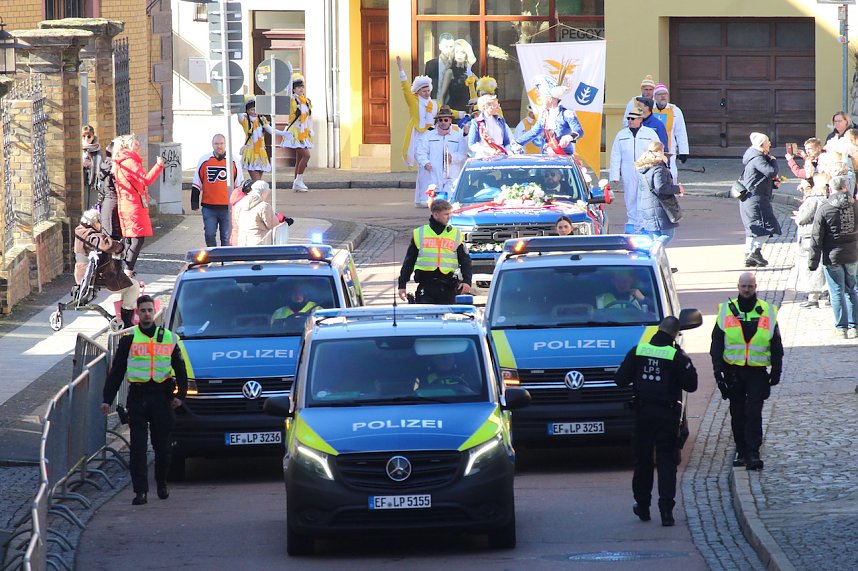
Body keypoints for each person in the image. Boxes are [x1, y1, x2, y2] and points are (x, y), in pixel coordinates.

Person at [101, 294, 188, 505]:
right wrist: (107, 399)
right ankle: (140, 491)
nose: (147, 314)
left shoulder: (169, 338)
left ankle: (161, 483)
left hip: (161, 396)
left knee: (162, 446)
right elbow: (118, 371)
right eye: (143, 310)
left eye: (150, 310)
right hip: (138, 397)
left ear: (154, 312)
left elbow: (180, 368)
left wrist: (181, 395)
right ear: (137, 313)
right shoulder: (129, 340)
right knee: (138, 448)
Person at [616, 316, 698, 526]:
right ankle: (666, 512)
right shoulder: (676, 356)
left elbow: (620, 379)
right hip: (667, 416)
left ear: (658, 329)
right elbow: (692, 385)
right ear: (675, 333)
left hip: (642, 414)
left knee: (642, 461)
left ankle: (642, 506)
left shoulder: (638, 350)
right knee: (666, 462)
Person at [710, 272, 783, 470]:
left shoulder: (767, 311)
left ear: (755, 286)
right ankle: (742, 451)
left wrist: (777, 370)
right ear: (738, 286)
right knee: (737, 412)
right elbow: (716, 343)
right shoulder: (726, 310)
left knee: (754, 412)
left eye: (750, 286)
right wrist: (718, 373)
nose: (747, 290)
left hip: (757, 371)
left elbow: (776, 343)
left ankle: (752, 453)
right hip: (733, 371)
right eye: (744, 286)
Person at [808, 175, 858, 338]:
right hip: (852, 254)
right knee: (852, 290)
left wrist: (813, 262)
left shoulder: (825, 208)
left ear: (831, 189)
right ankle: (854, 326)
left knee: (837, 291)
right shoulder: (855, 206)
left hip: (833, 255)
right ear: (845, 188)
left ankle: (841, 328)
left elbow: (816, 237)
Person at [74, 209, 140, 328]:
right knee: (133, 286)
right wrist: (120, 247)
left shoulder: (79, 232)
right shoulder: (93, 236)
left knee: (127, 286)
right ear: (95, 223)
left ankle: (124, 314)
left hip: (82, 275)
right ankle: (126, 318)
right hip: (101, 277)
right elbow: (106, 244)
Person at [398, 199, 473, 304]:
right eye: (446, 214)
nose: (449, 217)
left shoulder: (456, 234)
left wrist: (467, 281)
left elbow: (465, 261)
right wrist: (402, 285)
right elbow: (409, 261)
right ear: (436, 215)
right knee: (427, 318)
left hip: (448, 286)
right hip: (426, 285)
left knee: (447, 318)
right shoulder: (420, 233)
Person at [112, 133, 164, 277]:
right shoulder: (130, 162)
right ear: (128, 146)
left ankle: (124, 269)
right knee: (137, 239)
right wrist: (159, 166)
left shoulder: (120, 161)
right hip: (133, 205)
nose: (138, 145)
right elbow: (146, 180)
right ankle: (127, 270)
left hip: (126, 204)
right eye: (135, 143)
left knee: (130, 238)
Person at [609, 107, 660, 233]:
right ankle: (632, 221)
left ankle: (642, 222)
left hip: (645, 168)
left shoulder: (650, 133)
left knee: (643, 196)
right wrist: (614, 175)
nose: (630, 121)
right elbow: (615, 155)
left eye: (633, 118)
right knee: (630, 195)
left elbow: (657, 150)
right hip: (628, 169)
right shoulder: (621, 135)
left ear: (640, 119)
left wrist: (656, 169)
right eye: (628, 118)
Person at [191, 134, 244, 247]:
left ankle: (225, 261)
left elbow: (239, 184)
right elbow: (197, 182)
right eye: (216, 144)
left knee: (226, 237)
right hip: (209, 207)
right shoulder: (204, 160)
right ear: (212, 144)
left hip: (228, 208)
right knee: (209, 234)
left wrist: (240, 205)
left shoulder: (233, 160)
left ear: (225, 144)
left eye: (221, 143)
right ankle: (213, 257)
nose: (219, 146)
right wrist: (194, 202)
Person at [740, 132, 782, 268]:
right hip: (756, 199)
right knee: (767, 225)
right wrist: (774, 160)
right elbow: (770, 172)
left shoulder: (753, 157)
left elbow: (758, 178)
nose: (770, 143)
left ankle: (749, 255)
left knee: (753, 227)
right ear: (761, 144)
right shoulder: (758, 158)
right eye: (767, 141)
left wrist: (772, 185)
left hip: (751, 198)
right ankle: (755, 252)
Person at [516, 74, 584, 156]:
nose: (540, 101)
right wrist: (517, 143)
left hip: (563, 156)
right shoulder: (544, 115)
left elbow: (578, 131)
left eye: (542, 97)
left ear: (550, 99)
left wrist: (568, 137)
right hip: (546, 156)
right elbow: (534, 132)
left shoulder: (566, 114)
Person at [414, 105, 468, 207]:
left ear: (450, 121)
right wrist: (425, 163)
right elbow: (420, 151)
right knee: (435, 203)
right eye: (440, 120)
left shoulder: (458, 135)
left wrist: (453, 158)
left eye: (446, 120)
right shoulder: (429, 135)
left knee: (449, 201)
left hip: (452, 172)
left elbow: (463, 153)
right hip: (434, 172)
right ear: (437, 121)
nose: (443, 122)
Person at [396, 55, 443, 167]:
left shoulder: (436, 104)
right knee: (421, 159)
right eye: (424, 91)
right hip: (418, 133)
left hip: (432, 133)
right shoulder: (414, 102)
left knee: (431, 158)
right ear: (418, 91)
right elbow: (406, 89)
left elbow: (447, 111)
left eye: (428, 90)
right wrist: (400, 69)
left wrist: (462, 113)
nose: (427, 93)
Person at [636, 141, 683, 245]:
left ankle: (657, 259)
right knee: (667, 235)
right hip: (660, 207)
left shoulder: (645, 168)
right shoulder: (659, 168)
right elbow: (661, 188)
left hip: (648, 206)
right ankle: (653, 253)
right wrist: (677, 189)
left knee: (656, 237)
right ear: (661, 151)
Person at [794, 176, 829, 308]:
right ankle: (825, 293)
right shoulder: (826, 199)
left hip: (809, 236)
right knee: (820, 264)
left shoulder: (813, 200)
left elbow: (802, 218)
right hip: (822, 235)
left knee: (811, 265)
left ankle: (813, 296)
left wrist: (797, 215)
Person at [280, 73, 313, 192]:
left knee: (300, 158)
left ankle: (296, 183)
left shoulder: (306, 101)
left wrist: (310, 130)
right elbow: (287, 96)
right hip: (294, 132)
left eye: (302, 86)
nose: (301, 88)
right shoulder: (292, 100)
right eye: (298, 86)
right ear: (293, 89)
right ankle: (298, 181)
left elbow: (309, 118)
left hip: (303, 131)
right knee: (306, 155)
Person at [651, 85, 689, 182]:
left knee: (672, 174)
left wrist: (683, 151)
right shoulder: (649, 109)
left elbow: (680, 132)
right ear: (654, 97)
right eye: (660, 94)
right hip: (651, 150)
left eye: (665, 94)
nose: (663, 96)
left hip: (669, 150)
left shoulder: (675, 110)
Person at [237, 98, 276, 181]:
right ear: (247, 111)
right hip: (250, 152)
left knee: (257, 183)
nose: (255, 111)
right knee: (257, 182)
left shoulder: (261, 120)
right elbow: (239, 113)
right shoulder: (245, 120)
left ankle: (254, 193)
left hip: (261, 153)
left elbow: (271, 130)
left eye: (256, 109)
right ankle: (255, 193)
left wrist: (284, 133)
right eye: (252, 109)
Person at [237, 180, 280, 246]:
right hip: (259, 243)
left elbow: (237, 220)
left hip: (243, 242)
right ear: (263, 193)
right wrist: (278, 218)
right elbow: (273, 224)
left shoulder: (241, 203)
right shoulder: (264, 206)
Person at [439, 39, 476, 111]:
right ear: (454, 54)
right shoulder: (450, 72)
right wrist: (442, 111)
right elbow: (443, 95)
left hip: (468, 110)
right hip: (454, 110)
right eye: (457, 52)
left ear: (466, 54)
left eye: (462, 52)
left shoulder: (470, 73)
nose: (459, 55)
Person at [96, 142, 120, 239]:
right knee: (113, 237)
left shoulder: (104, 165)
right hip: (114, 203)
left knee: (107, 234)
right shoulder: (113, 168)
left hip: (107, 203)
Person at [424, 33, 455, 100]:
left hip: (453, 105)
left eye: (451, 47)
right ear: (440, 46)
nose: (449, 50)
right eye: (446, 46)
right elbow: (427, 86)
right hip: (435, 103)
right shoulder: (430, 65)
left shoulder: (456, 65)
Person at [82, 125, 102, 209]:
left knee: (92, 205)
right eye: (84, 136)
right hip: (82, 178)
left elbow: (100, 164)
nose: (86, 138)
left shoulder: (97, 149)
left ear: (93, 136)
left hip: (93, 180)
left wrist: (91, 165)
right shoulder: (78, 147)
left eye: (89, 136)